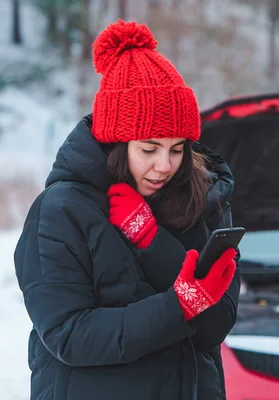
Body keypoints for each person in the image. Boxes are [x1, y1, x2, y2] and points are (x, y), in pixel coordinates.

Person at [13, 20, 240, 400]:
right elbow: (68, 335)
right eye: (149, 149)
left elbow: (213, 330)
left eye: (177, 148)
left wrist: (152, 241)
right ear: (116, 144)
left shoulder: (202, 200)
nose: (165, 165)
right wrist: (178, 305)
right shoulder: (61, 210)